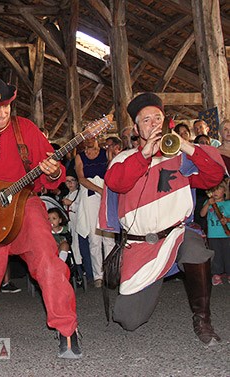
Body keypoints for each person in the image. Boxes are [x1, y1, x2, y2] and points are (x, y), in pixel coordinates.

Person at [0, 76, 81, 359]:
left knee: (47, 261)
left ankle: (67, 327)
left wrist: (54, 170)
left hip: (26, 205)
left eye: (6, 106)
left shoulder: (26, 129)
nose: (2, 113)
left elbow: (54, 177)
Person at [99, 92, 225, 346]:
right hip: (142, 245)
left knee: (196, 250)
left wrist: (185, 144)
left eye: (158, 117)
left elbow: (214, 175)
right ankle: (152, 279)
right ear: (136, 128)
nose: (154, 123)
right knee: (128, 319)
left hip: (177, 234)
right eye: (146, 120)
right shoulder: (123, 159)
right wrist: (144, 154)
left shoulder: (180, 156)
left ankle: (203, 320)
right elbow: (117, 183)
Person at [74, 136, 115, 288]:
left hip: (107, 194)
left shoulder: (105, 153)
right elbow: (81, 178)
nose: (90, 140)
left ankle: (111, 273)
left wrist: (111, 157)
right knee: (94, 237)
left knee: (109, 236)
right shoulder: (80, 156)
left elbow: (112, 171)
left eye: (92, 137)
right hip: (90, 195)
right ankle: (98, 275)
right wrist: (99, 190)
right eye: (87, 138)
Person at [200, 178, 230, 286]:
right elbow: (202, 214)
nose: (215, 192)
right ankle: (216, 274)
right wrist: (208, 204)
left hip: (226, 234)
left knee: (228, 254)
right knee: (215, 254)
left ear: (225, 191)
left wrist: (227, 220)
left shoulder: (228, 204)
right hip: (213, 235)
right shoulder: (207, 203)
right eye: (213, 190)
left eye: (218, 189)